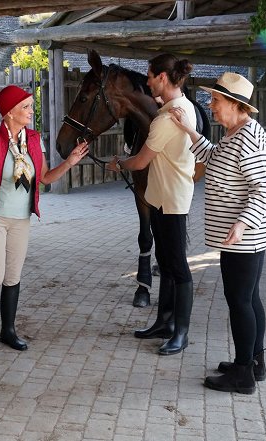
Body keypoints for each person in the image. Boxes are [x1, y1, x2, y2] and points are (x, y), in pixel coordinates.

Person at [168, 72, 266, 394]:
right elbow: (214, 156)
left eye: (216, 101)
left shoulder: (250, 138)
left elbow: (263, 189)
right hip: (242, 235)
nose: (210, 105)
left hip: (246, 236)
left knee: (239, 301)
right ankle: (253, 362)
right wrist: (188, 130)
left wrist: (242, 223)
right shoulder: (236, 133)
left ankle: (243, 375)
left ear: (235, 104)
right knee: (248, 297)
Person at [0, 85, 89, 351]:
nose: (32, 111)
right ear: (9, 111)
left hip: (21, 219)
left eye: (31, 106)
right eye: (26, 106)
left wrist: (70, 162)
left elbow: (44, 178)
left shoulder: (33, 139)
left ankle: (8, 330)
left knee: (13, 276)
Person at [106, 54, 197, 356]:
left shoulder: (167, 119)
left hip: (171, 199)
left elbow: (141, 160)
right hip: (161, 196)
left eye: (149, 76)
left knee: (179, 269)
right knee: (167, 263)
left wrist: (119, 163)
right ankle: (164, 322)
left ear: (162, 78)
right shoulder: (175, 109)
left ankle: (180, 332)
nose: (145, 81)